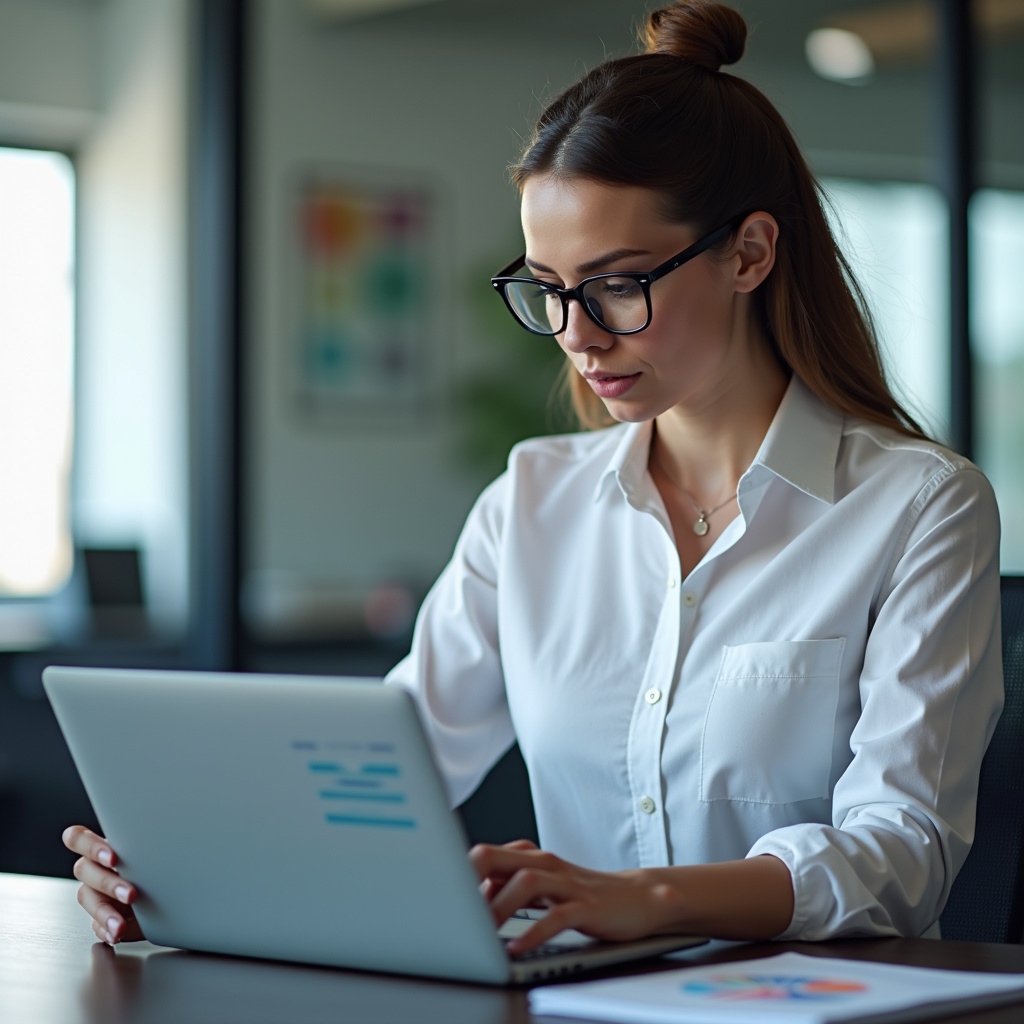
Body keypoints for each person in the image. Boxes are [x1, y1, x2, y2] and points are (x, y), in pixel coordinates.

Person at [64, 0, 1002, 957]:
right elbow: (390, 766)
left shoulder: (919, 507)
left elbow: (901, 852)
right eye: (549, 289)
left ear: (750, 253)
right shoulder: (533, 501)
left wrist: (648, 898)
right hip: (586, 1004)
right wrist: (174, 860)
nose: (577, 333)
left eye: (617, 284)